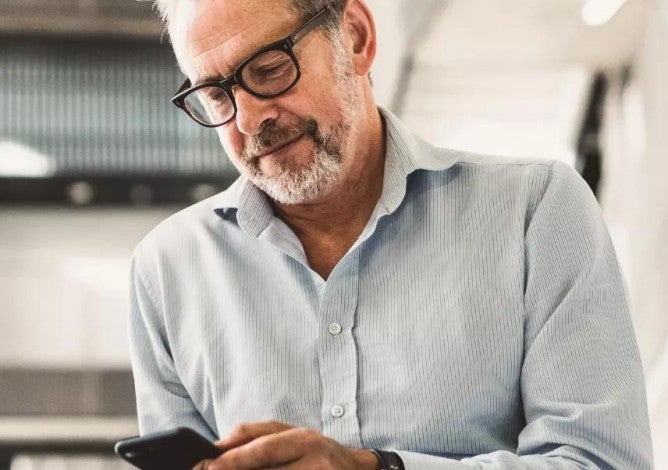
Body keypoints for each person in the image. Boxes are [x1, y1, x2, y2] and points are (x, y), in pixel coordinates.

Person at [128, 0, 654, 468]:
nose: (247, 120)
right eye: (216, 97)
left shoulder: (535, 211)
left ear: (355, 38)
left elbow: (600, 460)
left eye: (269, 70)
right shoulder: (167, 269)